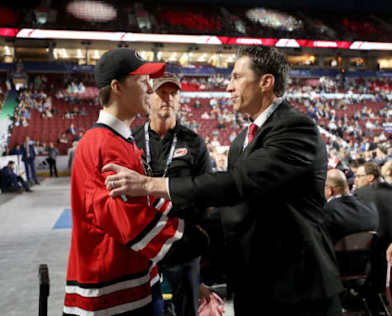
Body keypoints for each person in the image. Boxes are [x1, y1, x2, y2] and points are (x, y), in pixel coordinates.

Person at [103, 46, 343, 315]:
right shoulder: (242, 140)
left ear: (266, 82)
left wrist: (149, 184)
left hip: (299, 288)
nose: (228, 87)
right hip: (253, 284)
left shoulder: (296, 128)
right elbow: (231, 208)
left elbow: (237, 184)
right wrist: (177, 237)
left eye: (236, 77)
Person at [63, 48, 208, 316]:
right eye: (142, 81)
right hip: (111, 295)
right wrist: (201, 238)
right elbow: (132, 222)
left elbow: (148, 203)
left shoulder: (120, 141)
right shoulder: (103, 145)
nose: (149, 89)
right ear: (117, 87)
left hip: (132, 283)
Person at [133, 72, 211, 316]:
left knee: (187, 310)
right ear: (149, 98)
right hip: (142, 245)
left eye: (173, 93)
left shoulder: (195, 143)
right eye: (161, 92)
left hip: (182, 245)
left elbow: (206, 194)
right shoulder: (131, 141)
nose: (168, 98)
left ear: (179, 99)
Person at [354, 162, 392, 291]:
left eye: (359, 176)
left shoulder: (360, 193)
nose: (356, 179)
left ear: (370, 177)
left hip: (371, 254)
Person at [323, 169, 378, 244]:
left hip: (338, 255)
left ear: (329, 190)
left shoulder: (327, 211)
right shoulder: (370, 206)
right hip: (370, 255)